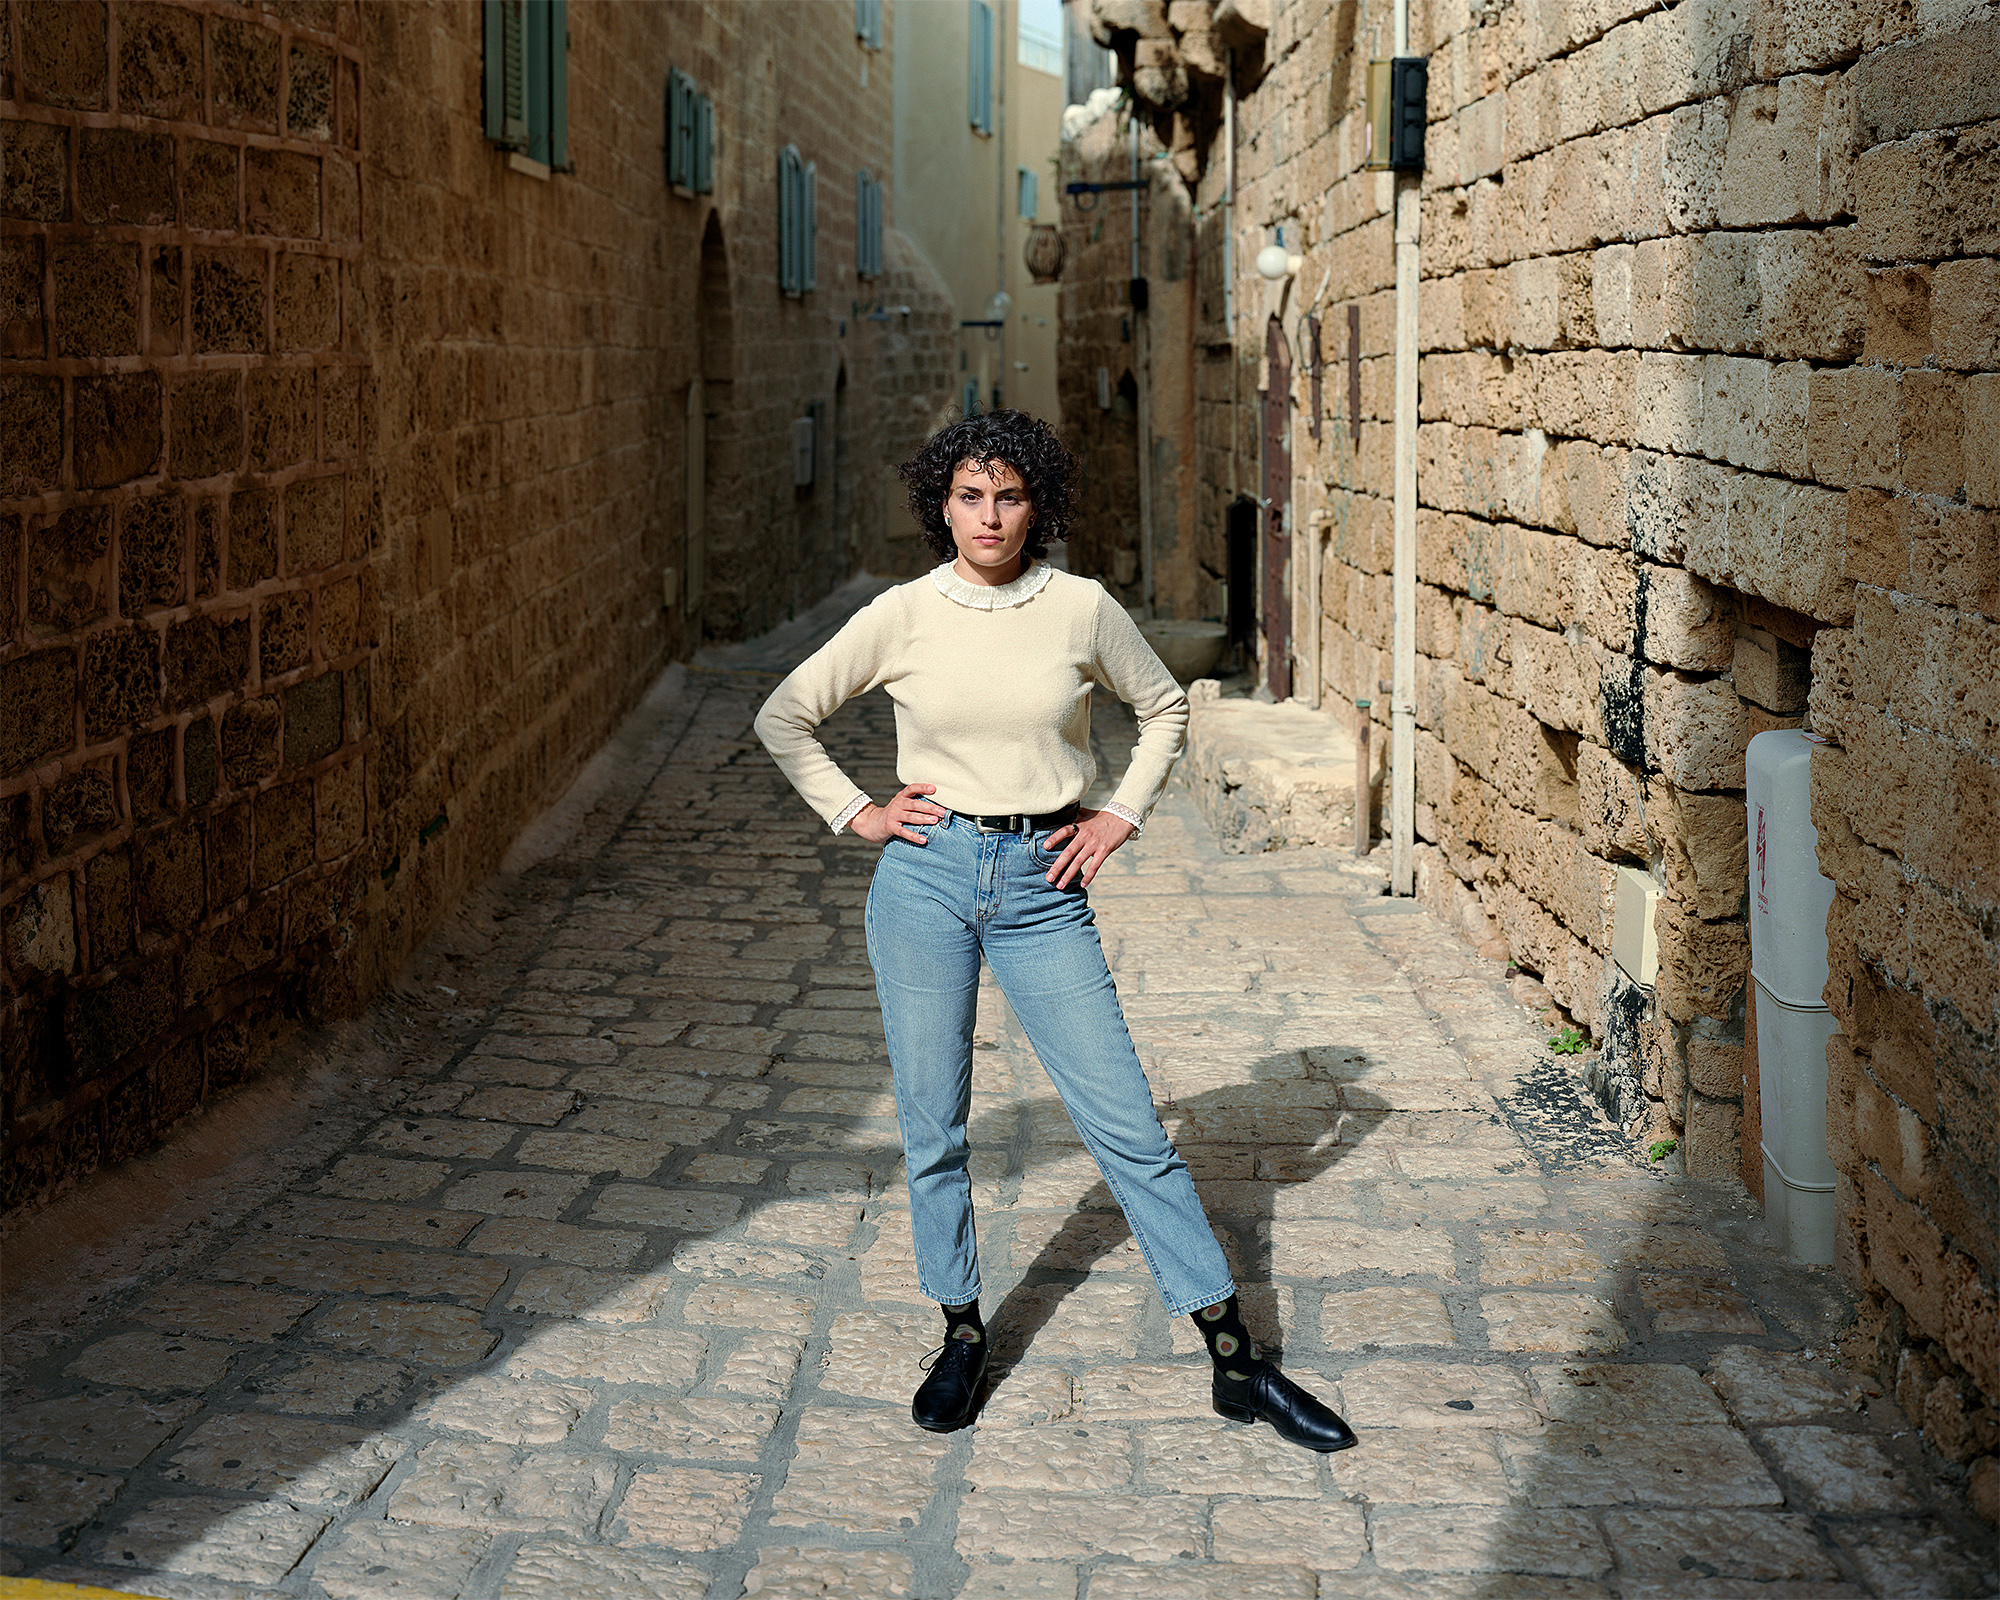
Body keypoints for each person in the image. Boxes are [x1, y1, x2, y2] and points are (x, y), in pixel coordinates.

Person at [754, 410, 1355, 1453]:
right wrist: (861, 813)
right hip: (925, 883)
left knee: (1128, 1127)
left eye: (1009, 496)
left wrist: (1117, 814)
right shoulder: (900, 615)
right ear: (940, 503)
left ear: (1038, 505)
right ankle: (959, 1331)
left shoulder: (1078, 607)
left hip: (1041, 885)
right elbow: (784, 714)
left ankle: (1233, 1359)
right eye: (968, 496)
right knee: (934, 1124)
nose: (988, 517)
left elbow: (1164, 707)